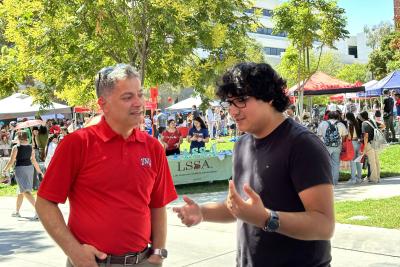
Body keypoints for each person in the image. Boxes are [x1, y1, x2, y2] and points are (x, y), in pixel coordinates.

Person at [174, 63, 334, 267]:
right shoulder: (241, 145)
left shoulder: (302, 145)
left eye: (241, 100)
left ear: (269, 97)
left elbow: (324, 224)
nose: (232, 110)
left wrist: (268, 219)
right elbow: (241, 208)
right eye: (229, 102)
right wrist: (203, 212)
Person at [35, 63, 177, 267]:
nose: (138, 103)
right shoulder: (77, 144)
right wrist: (74, 252)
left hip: (143, 261)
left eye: (140, 94)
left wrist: (157, 255)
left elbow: (157, 205)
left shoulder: (153, 148)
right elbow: (45, 203)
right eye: (128, 97)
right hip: (92, 263)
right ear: (103, 104)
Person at [2, 131, 43, 219]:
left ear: (19, 137)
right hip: (29, 168)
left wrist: (5, 169)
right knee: (20, 191)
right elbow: (34, 160)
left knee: (25, 191)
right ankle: (17, 211)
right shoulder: (30, 147)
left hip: (20, 169)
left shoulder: (16, 148)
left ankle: (39, 211)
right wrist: (39, 171)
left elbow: (11, 161)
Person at [317, 111, 348, 185]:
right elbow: (344, 136)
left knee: (326, 164)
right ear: (338, 117)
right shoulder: (341, 124)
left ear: (328, 116)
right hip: (337, 146)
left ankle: (327, 181)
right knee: (336, 164)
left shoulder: (323, 124)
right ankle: (334, 182)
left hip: (325, 146)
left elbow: (319, 135)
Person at [358, 111, 381, 183]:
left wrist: (364, 147)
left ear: (361, 117)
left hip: (369, 144)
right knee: (376, 161)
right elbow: (383, 125)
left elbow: (366, 136)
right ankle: (377, 177)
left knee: (372, 162)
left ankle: (374, 178)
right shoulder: (372, 121)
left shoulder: (364, 123)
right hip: (375, 142)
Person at [345, 112, 362, 184]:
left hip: (352, 143)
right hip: (359, 143)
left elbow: (349, 136)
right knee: (358, 161)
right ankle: (359, 178)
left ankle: (353, 179)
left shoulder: (349, 124)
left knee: (352, 162)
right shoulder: (357, 123)